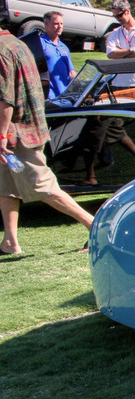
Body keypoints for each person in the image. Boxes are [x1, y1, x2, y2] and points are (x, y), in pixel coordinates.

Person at [0, 28, 95, 255]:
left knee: (44, 187)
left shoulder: (2, 51)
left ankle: (96, 226)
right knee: (5, 187)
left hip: (17, 133)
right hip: (28, 127)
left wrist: (2, 135)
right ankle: (10, 242)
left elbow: (4, 100)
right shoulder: (17, 43)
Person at [28, 12, 74, 102]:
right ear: (46, 23)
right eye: (56, 24)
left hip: (65, 96)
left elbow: (71, 72)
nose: (60, 26)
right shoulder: (39, 44)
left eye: (61, 24)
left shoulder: (64, 47)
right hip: (48, 97)